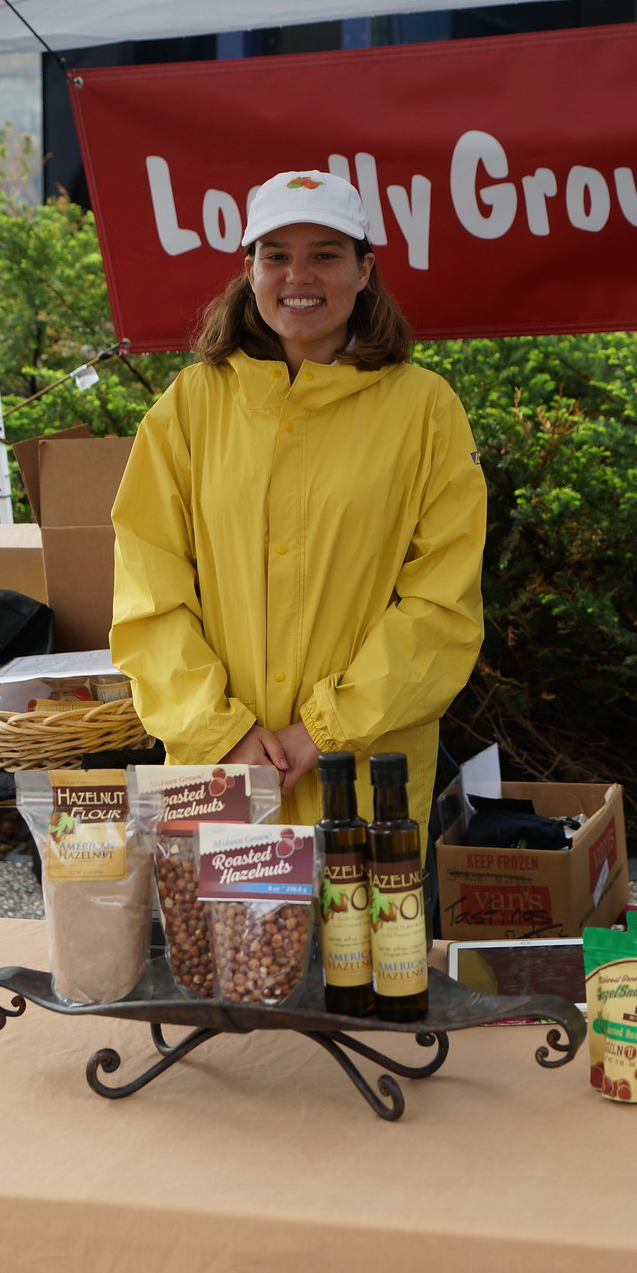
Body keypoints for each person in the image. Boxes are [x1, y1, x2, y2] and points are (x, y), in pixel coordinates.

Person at [109, 170, 486, 830]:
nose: (299, 276)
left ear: (365, 269)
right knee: (227, 937)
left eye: (325, 254)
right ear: (249, 269)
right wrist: (221, 731)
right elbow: (149, 596)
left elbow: (441, 608)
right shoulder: (189, 408)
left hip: (366, 779)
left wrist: (322, 730)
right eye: (276, 255)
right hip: (219, 777)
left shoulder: (425, 410)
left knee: (365, 935)